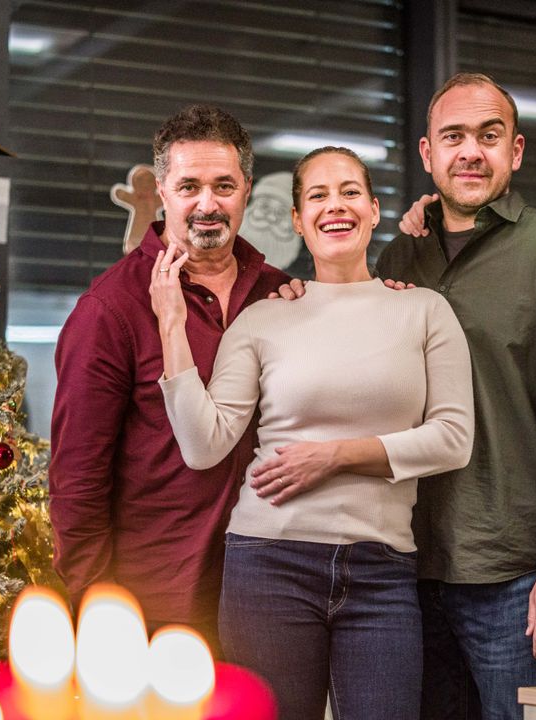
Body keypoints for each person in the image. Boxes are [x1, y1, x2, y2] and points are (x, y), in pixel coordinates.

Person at [149, 146, 474, 720]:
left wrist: (336, 456)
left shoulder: (425, 311)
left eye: (350, 192)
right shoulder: (264, 318)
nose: (336, 206)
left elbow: (453, 438)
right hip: (268, 563)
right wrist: (171, 324)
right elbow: (204, 445)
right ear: (298, 220)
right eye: (318, 196)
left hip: (382, 568)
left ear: (373, 210)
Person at [385, 72, 536, 720]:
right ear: (427, 153)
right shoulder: (399, 258)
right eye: (453, 137)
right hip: (405, 569)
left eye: (489, 136)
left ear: (515, 151)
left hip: (513, 579)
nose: (470, 151)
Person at [47, 105, 291, 648]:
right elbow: (77, 477)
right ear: (162, 191)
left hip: (271, 591)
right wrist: (95, 601)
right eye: (189, 187)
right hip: (155, 599)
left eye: (224, 185)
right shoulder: (111, 308)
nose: (208, 204)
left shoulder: (280, 293)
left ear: (247, 190)